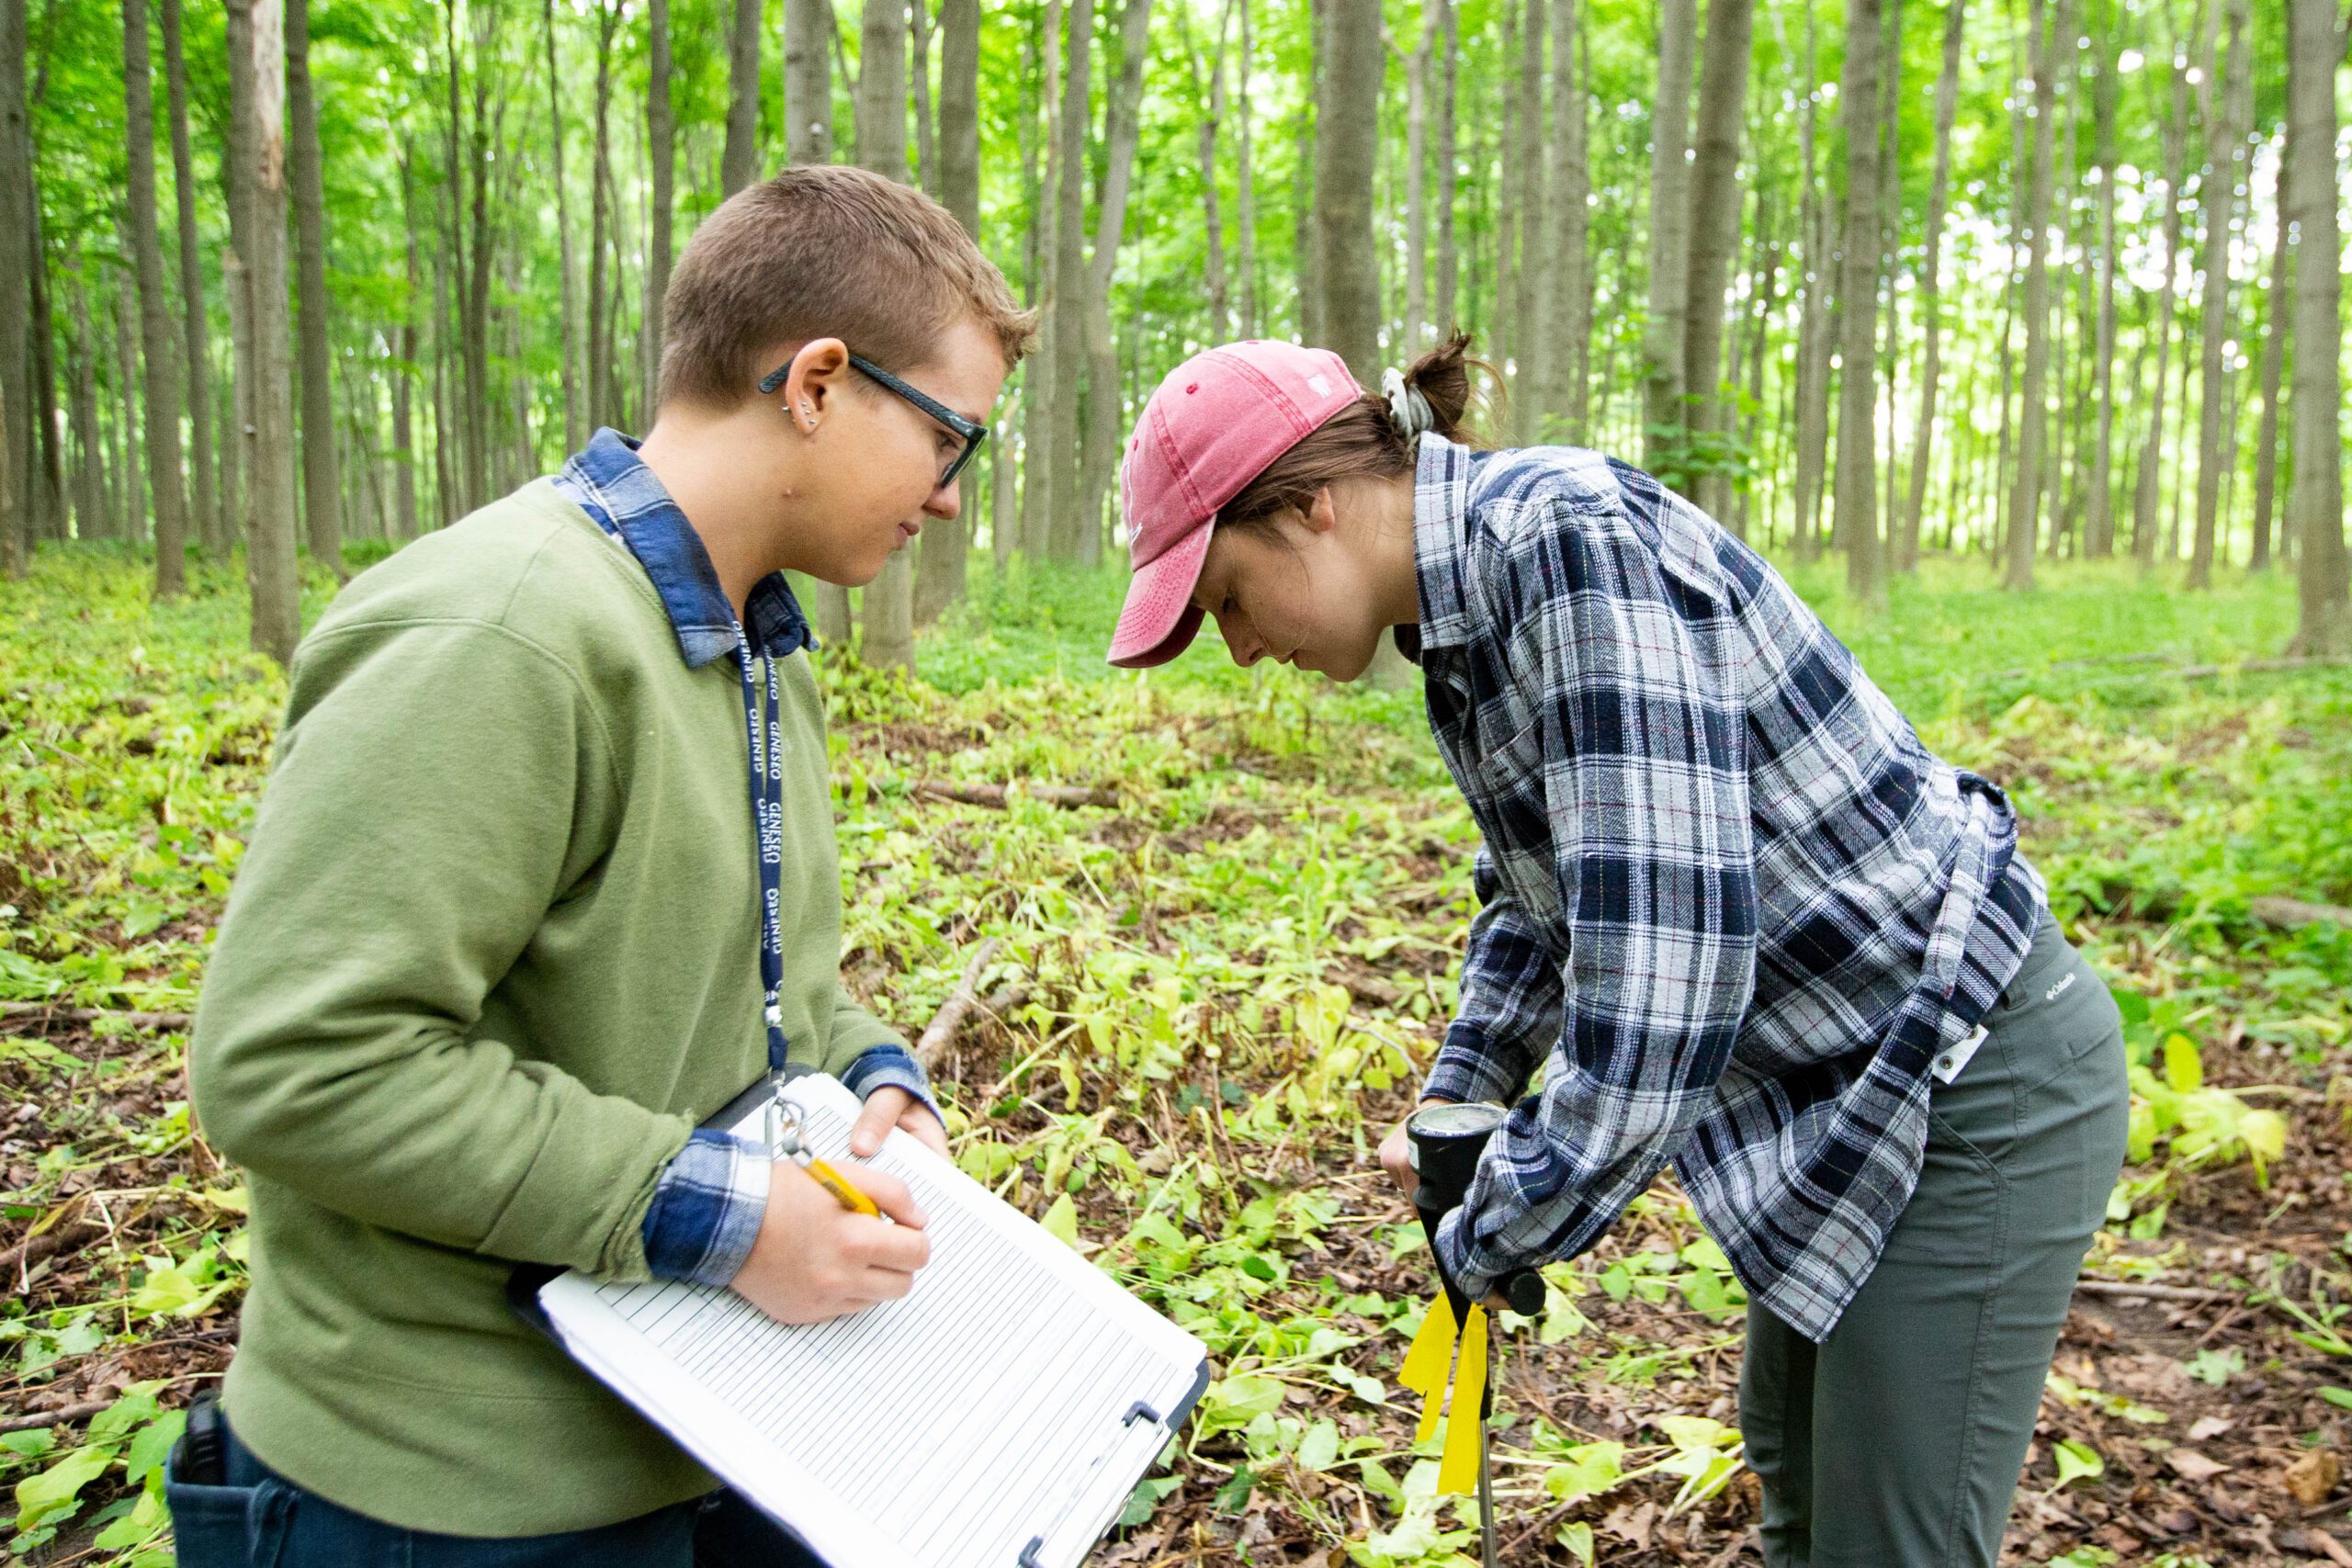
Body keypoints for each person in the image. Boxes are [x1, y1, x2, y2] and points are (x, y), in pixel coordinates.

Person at [1104, 333, 2130, 1568]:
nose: (1240, 644)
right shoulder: (1466, 608)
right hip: (1845, 1089)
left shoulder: (1565, 546)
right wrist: (1462, 1096)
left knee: (1889, 1544)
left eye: (1226, 599)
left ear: (1312, 505)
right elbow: (1543, 893)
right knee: (1800, 1486)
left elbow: (1670, 986)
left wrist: (1504, 1222)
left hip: (1964, 1080)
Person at [176, 164, 1033, 1565]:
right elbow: (296, 1062)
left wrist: (876, 1076)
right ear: (816, 381)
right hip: (447, 1502)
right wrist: (730, 1214)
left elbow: (752, 994)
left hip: (702, 1431)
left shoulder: (752, 640)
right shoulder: (503, 632)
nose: (948, 500)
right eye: (952, 441)